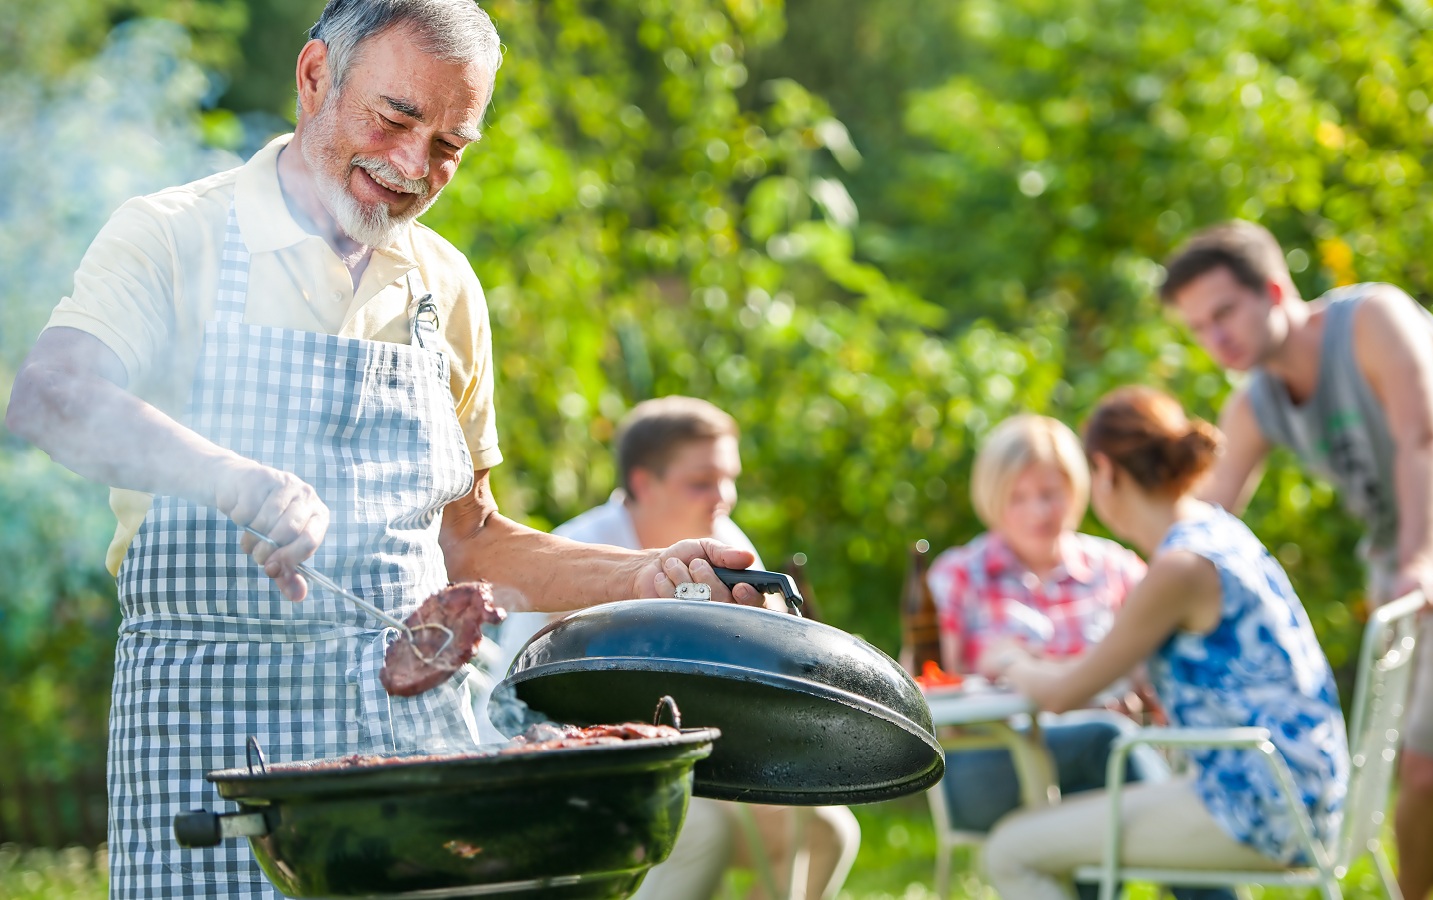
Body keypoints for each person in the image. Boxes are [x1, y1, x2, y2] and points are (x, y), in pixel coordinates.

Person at [3, 3, 759, 896]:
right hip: (211, 747)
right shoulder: (174, 235)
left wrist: (641, 573)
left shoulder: (445, 286)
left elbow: (469, 542)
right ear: (314, 76)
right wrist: (231, 478)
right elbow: (51, 395)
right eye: (395, 118)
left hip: (412, 766)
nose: (411, 166)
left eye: (449, 146)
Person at [1160, 220, 1433, 900]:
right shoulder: (1256, 402)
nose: (1215, 338)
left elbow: (1424, 438)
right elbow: (1199, 525)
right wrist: (1134, 621)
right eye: (1198, 328)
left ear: (1274, 291)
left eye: (1224, 313)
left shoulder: (1373, 321)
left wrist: (1420, 562)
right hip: (1400, 574)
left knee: (1429, 767)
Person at [977, 387, 1350, 900]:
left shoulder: (1179, 568)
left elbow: (1062, 694)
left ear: (1105, 472)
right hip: (1302, 789)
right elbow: (1127, 665)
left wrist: (1009, 660)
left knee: (1010, 850)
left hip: (1261, 806)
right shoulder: (1217, 530)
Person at [497, 396, 860, 900]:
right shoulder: (579, 554)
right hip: (558, 771)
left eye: (729, 478)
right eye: (702, 481)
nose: (724, 497)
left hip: (685, 758)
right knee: (698, 830)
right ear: (643, 482)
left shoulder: (722, 540)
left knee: (826, 831)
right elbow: (539, 698)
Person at [928, 414, 1235, 900]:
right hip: (990, 761)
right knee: (1103, 741)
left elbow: (1159, 674)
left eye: (1050, 494)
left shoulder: (1117, 568)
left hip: (1105, 767)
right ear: (991, 498)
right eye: (1018, 497)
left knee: (1105, 761)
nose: (1038, 512)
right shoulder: (957, 576)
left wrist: (1131, 687)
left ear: (1078, 491)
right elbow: (928, 686)